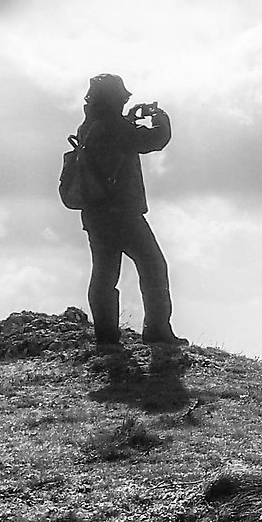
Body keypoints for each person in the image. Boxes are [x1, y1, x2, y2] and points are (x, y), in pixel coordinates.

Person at [74, 73, 179, 359]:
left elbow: (118, 140)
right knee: (153, 267)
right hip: (122, 213)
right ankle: (157, 330)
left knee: (105, 274)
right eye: (122, 97)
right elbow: (155, 139)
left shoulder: (89, 126)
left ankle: (106, 338)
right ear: (115, 99)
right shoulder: (113, 127)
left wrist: (130, 120)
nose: (126, 100)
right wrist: (160, 117)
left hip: (96, 214)